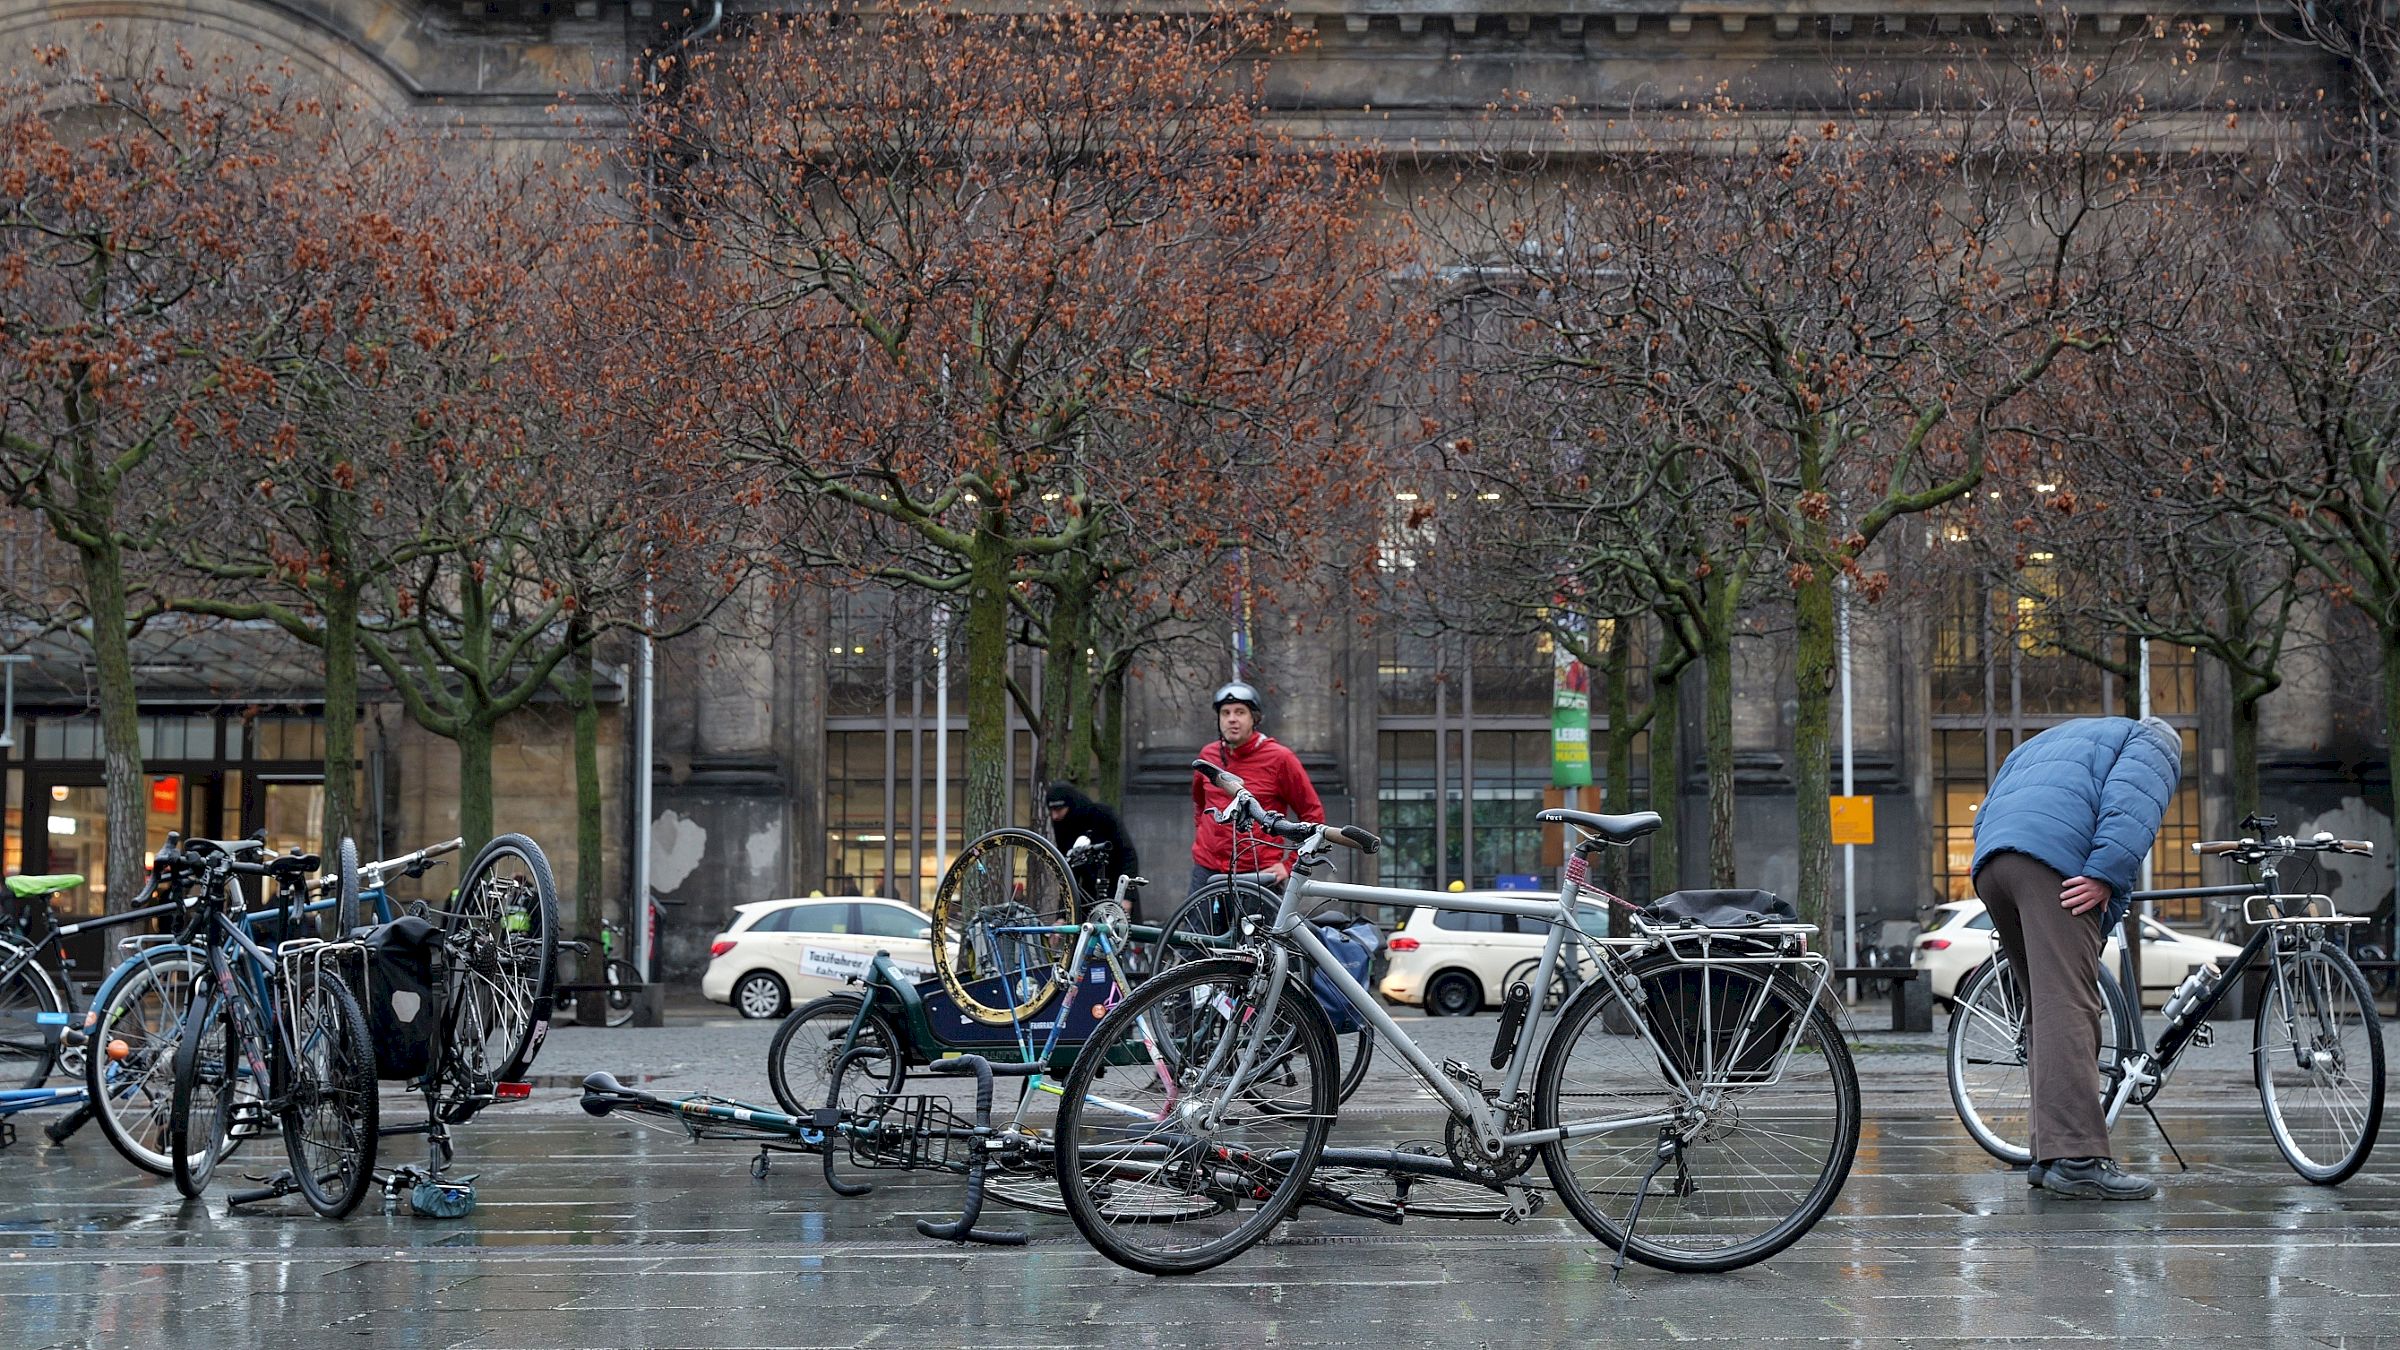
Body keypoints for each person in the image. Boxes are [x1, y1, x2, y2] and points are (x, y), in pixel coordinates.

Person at [1970, 714, 2183, 1201]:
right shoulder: (2152, 739)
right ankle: (2080, 1159)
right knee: (2069, 1003)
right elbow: (2133, 806)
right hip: (2051, 862)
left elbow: (1986, 811)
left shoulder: (2046, 743)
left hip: (1995, 862)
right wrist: (2106, 873)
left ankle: (2049, 1153)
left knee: (2043, 1006)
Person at [1190, 680, 1324, 897]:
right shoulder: (1207, 756)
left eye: (1240, 712)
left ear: (1254, 718)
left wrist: (1289, 865)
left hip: (1259, 874)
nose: (1232, 719)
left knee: (1256, 932)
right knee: (1196, 932)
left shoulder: (1280, 758)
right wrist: (1205, 836)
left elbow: (1313, 814)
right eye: (1225, 713)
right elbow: (1199, 802)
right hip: (1207, 870)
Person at [1046, 783, 1142, 917]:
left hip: (1117, 886)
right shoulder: (1063, 826)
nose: (1054, 816)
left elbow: (1127, 855)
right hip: (1089, 893)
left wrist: (1127, 897)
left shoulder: (1103, 816)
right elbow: (1068, 871)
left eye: (1059, 809)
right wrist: (1063, 915)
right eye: (1052, 811)